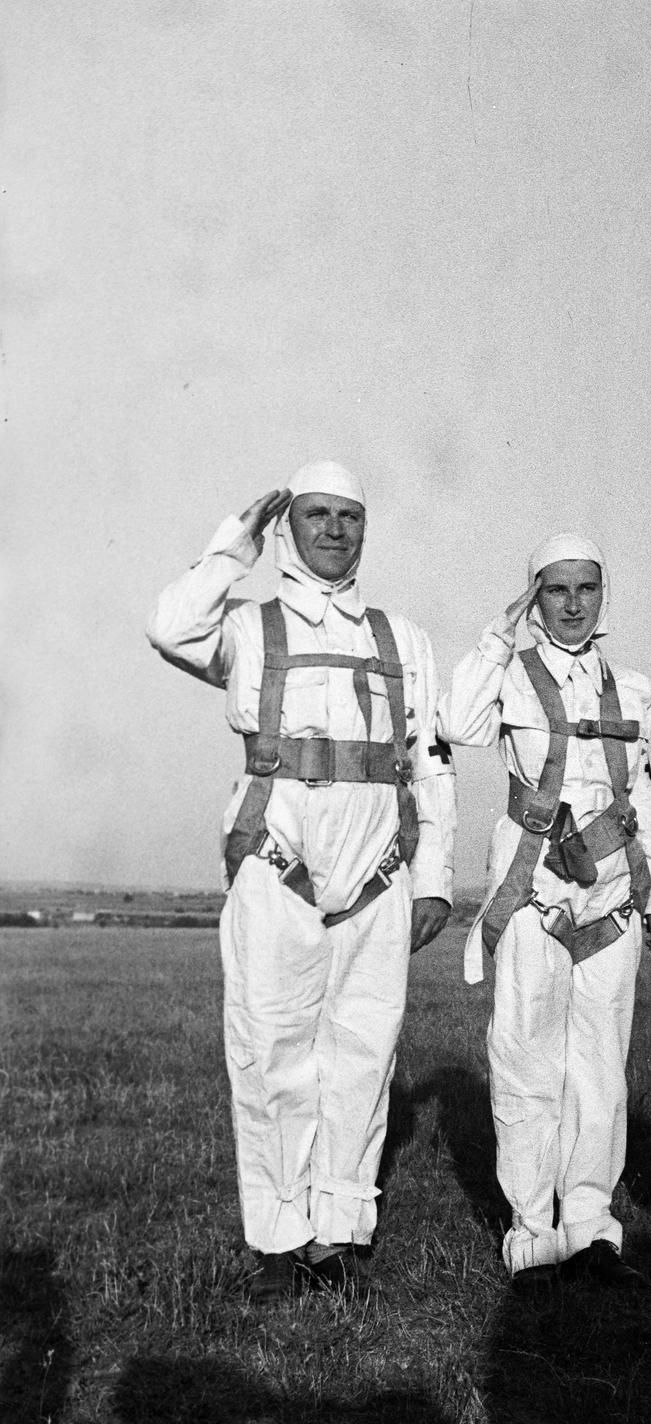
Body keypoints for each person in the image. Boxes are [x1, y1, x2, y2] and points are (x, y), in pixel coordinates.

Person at [147, 461, 456, 1302]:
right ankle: (279, 1239)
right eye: (314, 514)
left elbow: (430, 763)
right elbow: (170, 627)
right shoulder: (248, 628)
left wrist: (432, 877)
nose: (333, 530)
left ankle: (339, 1233)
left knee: (361, 1052)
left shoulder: (403, 638)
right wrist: (229, 547)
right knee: (272, 1049)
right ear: (288, 526)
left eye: (348, 517)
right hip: (275, 865)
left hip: (378, 870)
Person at [439, 536, 651, 1296]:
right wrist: (496, 636)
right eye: (555, 590)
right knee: (525, 1057)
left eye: (587, 589)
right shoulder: (506, 677)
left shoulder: (633, 688)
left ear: (603, 595)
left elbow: (641, 799)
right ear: (533, 596)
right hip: (532, 887)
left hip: (610, 893)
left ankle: (589, 1222)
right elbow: (456, 722)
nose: (573, 604)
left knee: (600, 1066)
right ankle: (531, 1226)